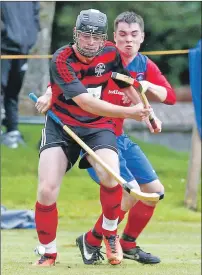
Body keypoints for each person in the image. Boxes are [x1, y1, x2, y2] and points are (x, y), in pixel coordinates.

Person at [32, 9, 151, 267]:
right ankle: (48, 252)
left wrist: (146, 110)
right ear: (76, 35)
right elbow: (86, 103)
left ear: (103, 38)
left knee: (110, 174)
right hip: (61, 125)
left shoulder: (111, 52)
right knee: (46, 189)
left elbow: (124, 83)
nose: (90, 42)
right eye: (85, 36)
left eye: (96, 37)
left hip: (98, 127)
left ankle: (109, 232)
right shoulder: (61, 59)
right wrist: (130, 113)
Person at [75, 11, 176, 265]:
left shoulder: (144, 65)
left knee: (154, 192)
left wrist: (150, 89)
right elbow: (67, 72)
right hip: (94, 136)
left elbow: (170, 96)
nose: (128, 40)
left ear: (142, 37)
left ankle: (126, 243)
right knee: (130, 192)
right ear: (113, 37)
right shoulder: (100, 56)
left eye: (134, 35)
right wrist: (46, 93)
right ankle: (93, 239)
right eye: (122, 35)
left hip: (120, 137)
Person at [1, 1, 40, 148]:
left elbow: (35, 17)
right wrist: (5, 33)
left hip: (22, 48)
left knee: (13, 91)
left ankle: (12, 131)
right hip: (3, 47)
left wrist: (30, 37)